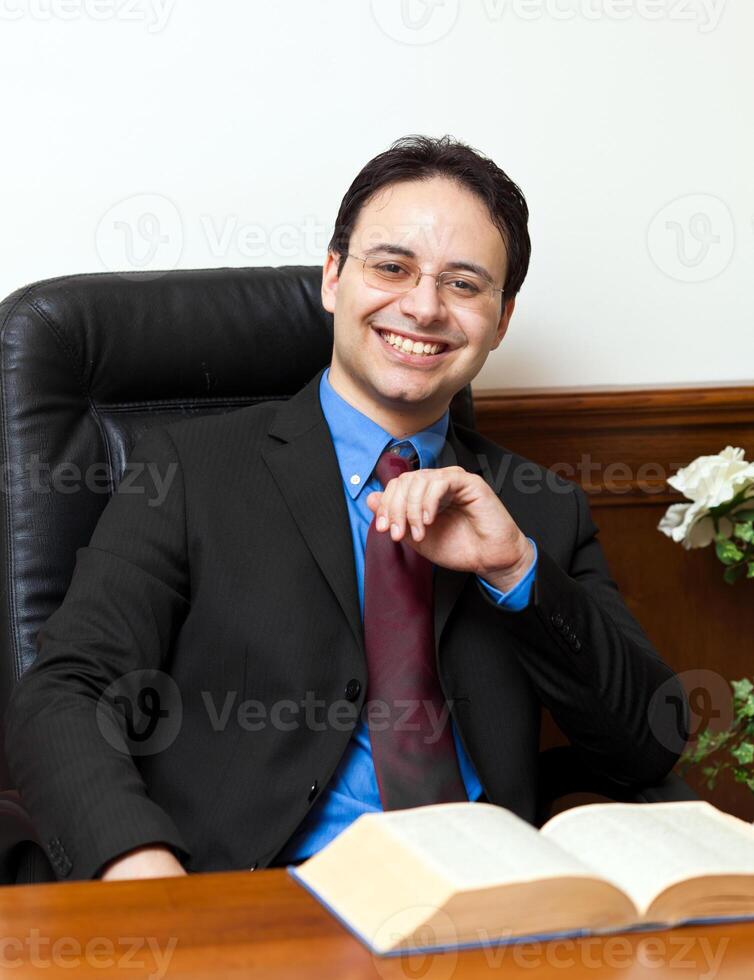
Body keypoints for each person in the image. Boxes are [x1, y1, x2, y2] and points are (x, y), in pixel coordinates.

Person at [5, 135, 688, 883]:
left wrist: (516, 568)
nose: (423, 308)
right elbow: (67, 692)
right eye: (392, 267)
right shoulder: (189, 472)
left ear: (501, 318)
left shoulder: (539, 507)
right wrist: (138, 867)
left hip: (488, 903)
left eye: (464, 285)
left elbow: (649, 744)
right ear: (334, 277)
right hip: (256, 899)